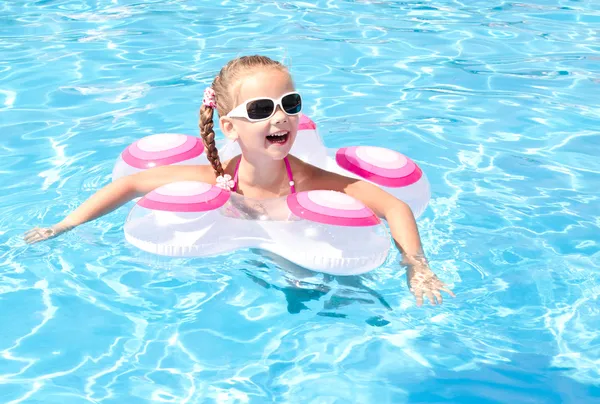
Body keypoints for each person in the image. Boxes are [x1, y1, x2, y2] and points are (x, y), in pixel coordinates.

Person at [24, 55, 455, 306]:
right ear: (229, 128)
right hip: (245, 257)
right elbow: (131, 185)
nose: (280, 115)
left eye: (289, 103)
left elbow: (393, 206)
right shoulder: (215, 179)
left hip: (312, 251)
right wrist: (63, 226)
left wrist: (416, 268)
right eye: (261, 109)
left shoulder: (310, 179)